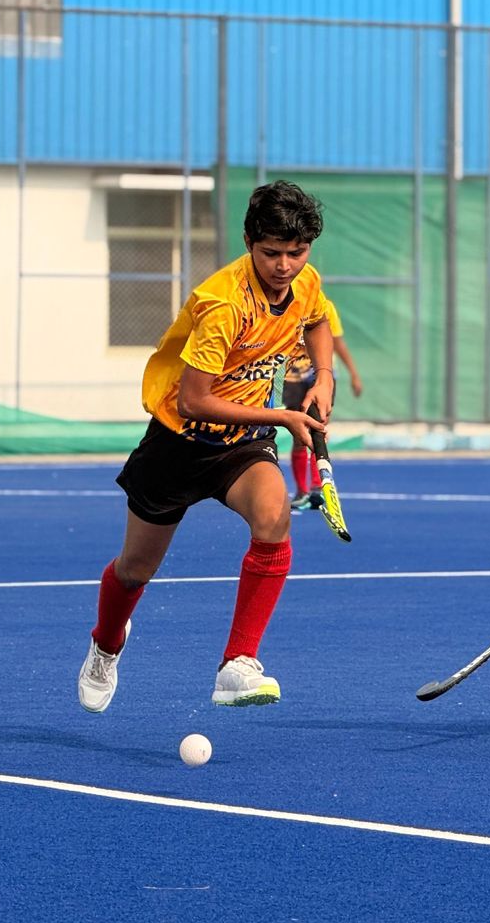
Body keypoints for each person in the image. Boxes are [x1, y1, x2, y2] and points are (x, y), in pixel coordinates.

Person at [78, 180, 335, 713]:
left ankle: (237, 663)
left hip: (242, 444)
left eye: (296, 252)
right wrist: (284, 416)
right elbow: (194, 401)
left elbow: (317, 320)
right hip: (178, 443)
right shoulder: (224, 304)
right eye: (271, 253)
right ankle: (106, 642)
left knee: (274, 516)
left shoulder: (304, 281)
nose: (284, 266)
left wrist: (325, 376)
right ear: (248, 242)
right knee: (135, 569)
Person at [285, 294, 363, 511]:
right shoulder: (286, 306)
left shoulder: (326, 307)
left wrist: (354, 374)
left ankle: (317, 488)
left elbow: (337, 343)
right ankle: (302, 491)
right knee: (299, 433)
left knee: (319, 428)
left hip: (322, 376)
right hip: (293, 377)